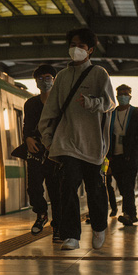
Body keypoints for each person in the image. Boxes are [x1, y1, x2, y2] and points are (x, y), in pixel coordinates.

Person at [38, 28, 116, 250]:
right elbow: (50, 111)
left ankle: (99, 226)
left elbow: (110, 103)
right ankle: (71, 234)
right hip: (67, 143)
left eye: (81, 46)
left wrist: (92, 103)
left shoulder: (100, 74)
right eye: (73, 44)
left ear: (90, 50)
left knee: (95, 190)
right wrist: (47, 137)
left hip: (92, 145)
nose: (76, 49)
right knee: (68, 185)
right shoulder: (62, 77)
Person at [23, 64, 62, 242]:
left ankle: (58, 227)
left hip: (55, 152)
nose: (44, 82)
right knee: (34, 188)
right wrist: (28, 139)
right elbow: (26, 127)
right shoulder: (30, 104)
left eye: (48, 78)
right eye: (41, 79)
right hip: (36, 152)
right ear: (36, 82)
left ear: (54, 80)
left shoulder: (61, 103)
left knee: (56, 191)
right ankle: (41, 213)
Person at [108, 84, 138, 226]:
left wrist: (134, 151)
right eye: (120, 93)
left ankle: (128, 214)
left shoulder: (136, 113)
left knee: (128, 185)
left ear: (130, 96)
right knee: (123, 187)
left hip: (129, 156)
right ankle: (132, 214)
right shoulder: (112, 113)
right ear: (117, 96)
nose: (123, 96)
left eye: (126, 93)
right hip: (115, 157)